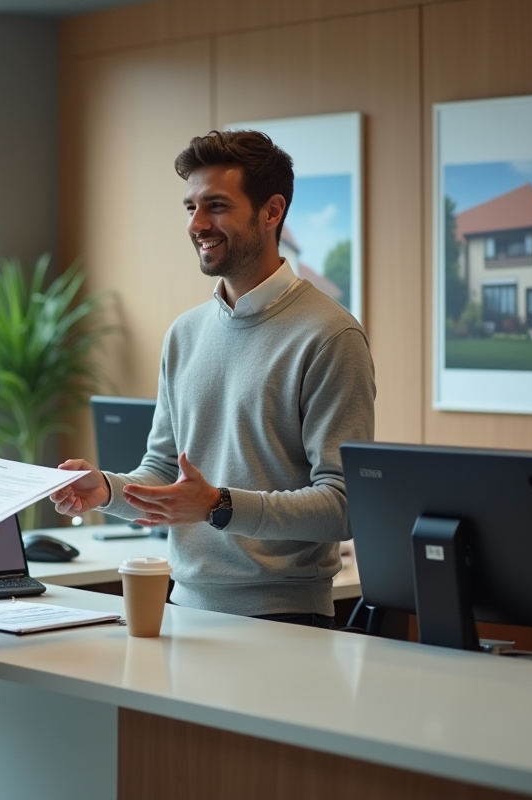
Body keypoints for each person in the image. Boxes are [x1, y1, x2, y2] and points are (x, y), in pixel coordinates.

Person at [51, 130, 375, 628]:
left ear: (271, 212)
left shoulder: (330, 336)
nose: (197, 224)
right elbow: (162, 470)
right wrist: (107, 490)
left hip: (287, 621)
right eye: (190, 207)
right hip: (183, 612)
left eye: (216, 206)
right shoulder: (185, 333)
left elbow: (343, 505)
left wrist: (219, 505)